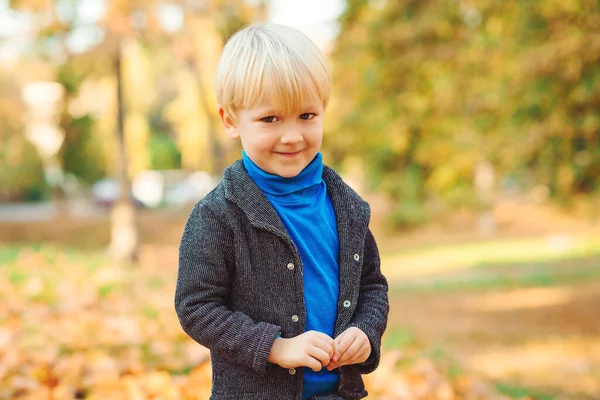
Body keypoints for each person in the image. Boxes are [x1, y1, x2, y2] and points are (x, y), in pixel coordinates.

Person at [175, 23, 389, 400]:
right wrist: (275, 347)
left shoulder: (348, 208)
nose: (292, 136)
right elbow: (197, 307)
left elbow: (372, 286)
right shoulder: (217, 216)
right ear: (230, 120)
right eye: (270, 119)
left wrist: (365, 332)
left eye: (307, 116)